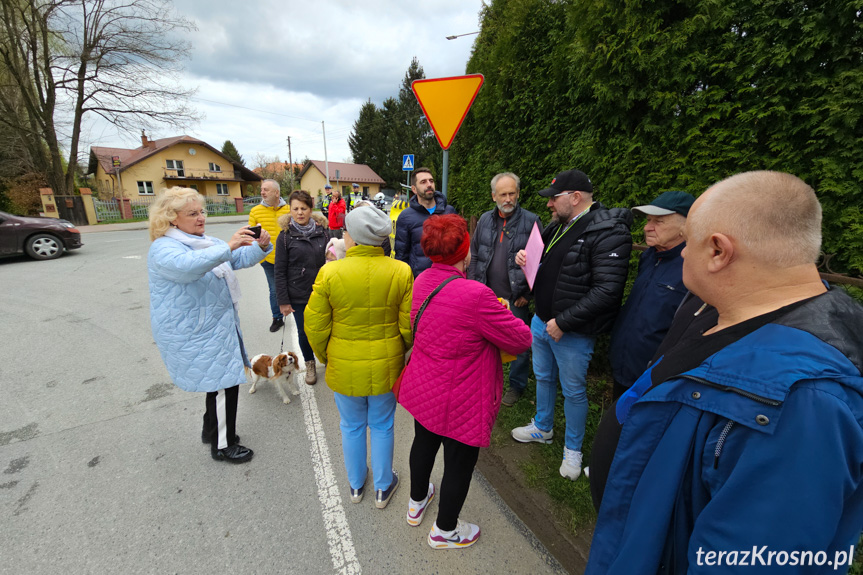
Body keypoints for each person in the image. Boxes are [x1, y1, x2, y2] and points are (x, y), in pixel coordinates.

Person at [586, 171, 863, 575]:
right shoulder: (729, 313)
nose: (682, 254)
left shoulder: (803, 398)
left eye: (690, 244)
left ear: (718, 251)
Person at [398, 214, 532, 550]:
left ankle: (416, 503)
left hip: (425, 385)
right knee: (459, 463)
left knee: (423, 443)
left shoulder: (422, 280)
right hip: (461, 395)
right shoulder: (476, 295)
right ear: (465, 252)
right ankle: (445, 530)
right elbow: (521, 340)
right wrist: (503, 309)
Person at [510, 169, 632, 481]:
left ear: (575, 198)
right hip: (542, 322)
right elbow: (552, 269)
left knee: (574, 391)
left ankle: (573, 450)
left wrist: (563, 322)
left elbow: (607, 290)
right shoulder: (558, 227)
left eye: (554, 199)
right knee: (544, 378)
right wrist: (528, 261)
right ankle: (543, 426)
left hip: (571, 331)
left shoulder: (609, 231)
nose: (549, 205)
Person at [148, 186, 271, 464]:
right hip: (196, 331)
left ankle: (211, 430)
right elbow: (190, 267)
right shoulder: (165, 248)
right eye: (192, 213)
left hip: (213, 327)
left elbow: (235, 259)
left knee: (217, 382)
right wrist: (226, 247)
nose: (201, 217)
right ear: (171, 218)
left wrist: (260, 246)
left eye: (201, 211)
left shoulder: (200, 241)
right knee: (223, 384)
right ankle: (223, 446)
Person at [304, 205, 414, 509]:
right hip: (387, 362)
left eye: (346, 230)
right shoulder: (401, 271)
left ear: (353, 238)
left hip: (343, 361)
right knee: (382, 424)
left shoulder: (330, 272)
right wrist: (401, 351)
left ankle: (355, 485)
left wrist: (327, 355)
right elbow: (408, 325)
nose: (343, 234)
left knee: (350, 425)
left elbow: (314, 325)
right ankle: (382, 486)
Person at [607, 190, 695, 400]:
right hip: (624, 366)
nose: (647, 227)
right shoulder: (649, 256)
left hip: (655, 377)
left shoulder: (692, 268)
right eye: (648, 220)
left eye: (659, 221)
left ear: (686, 226)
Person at [468, 172, 541, 407]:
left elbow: (540, 260)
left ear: (518, 193)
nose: (508, 198)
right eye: (503, 194)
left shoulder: (531, 221)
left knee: (517, 343)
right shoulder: (485, 220)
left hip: (515, 296)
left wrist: (527, 294)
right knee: (485, 341)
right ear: (493, 196)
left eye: (512, 193)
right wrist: (474, 287)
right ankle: (486, 380)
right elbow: (476, 254)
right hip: (486, 295)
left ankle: (516, 386)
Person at [274, 190, 330, 385]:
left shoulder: (323, 231)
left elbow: (333, 258)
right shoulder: (284, 237)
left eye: (303, 208)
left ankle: (329, 360)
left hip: (323, 291)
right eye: (295, 208)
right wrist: (283, 301)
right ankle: (310, 363)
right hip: (298, 294)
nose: (299, 212)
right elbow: (279, 271)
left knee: (327, 328)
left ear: (310, 209)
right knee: (304, 332)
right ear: (290, 210)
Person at [394, 167, 456, 276]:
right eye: (423, 182)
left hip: (448, 279)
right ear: (414, 189)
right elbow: (401, 256)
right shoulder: (405, 217)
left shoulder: (449, 211)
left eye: (431, 181)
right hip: (420, 280)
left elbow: (459, 246)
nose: (429, 185)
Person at [249, 179, 290, 332]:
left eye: (266, 189)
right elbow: (251, 236)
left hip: (289, 258)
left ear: (276, 193)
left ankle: (300, 313)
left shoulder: (290, 209)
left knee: (295, 287)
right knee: (274, 289)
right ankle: (277, 318)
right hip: (269, 259)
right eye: (261, 189)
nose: (262, 192)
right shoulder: (255, 211)